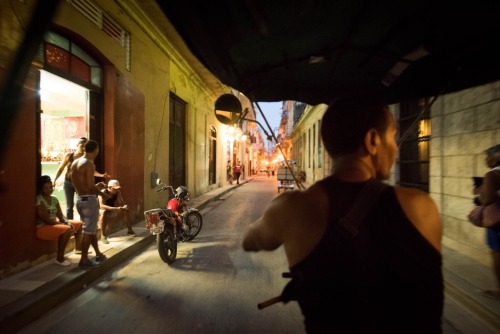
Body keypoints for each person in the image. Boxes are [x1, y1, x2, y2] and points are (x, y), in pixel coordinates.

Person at [242, 93, 443, 333]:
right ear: (372, 140)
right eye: (392, 135)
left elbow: (250, 240)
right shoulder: (422, 207)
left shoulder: (291, 209)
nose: (396, 149)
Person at [70, 140, 111, 268]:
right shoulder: (89, 164)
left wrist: (95, 187)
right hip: (89, 200)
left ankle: (98, 253)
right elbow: (89, 186)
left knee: (91, 228)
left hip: (80, 199)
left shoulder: (75, 162)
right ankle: (84, 259)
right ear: (96, 150)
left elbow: (80, 183)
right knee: (88, 230)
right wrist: (103, 194)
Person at [53, 137, 109, 219]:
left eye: (84, 146)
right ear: (77, 145)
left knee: (82, 202)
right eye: (81, 146)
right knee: (70, 205)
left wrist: (101, 175)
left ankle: (81, 223)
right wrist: (55, 179)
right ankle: (71, 224)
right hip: (68, 183)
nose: (83, 148)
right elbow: (61, 168)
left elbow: (91, 171)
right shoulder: (69, 156)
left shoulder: (86, 159)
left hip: (79, 183)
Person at [35, 175, 83, 266]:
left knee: (79, 224)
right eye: (45, 188)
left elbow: (60, 215)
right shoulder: (39, 200)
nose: (49, 189)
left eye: (50, 187)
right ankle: (59, 258)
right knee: (67, 229)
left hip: (54, 224)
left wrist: (66, 221)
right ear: (41, 189)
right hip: (43, 226)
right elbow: (46, 219)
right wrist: (63, 224)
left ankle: (78, 249)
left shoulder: (54, 199)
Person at [476, 144, 500, 299]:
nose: (485, 160)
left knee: (497, 253)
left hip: (498, 222)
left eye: (487, 156)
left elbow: (487, 199)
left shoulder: (492, 174)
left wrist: (479, 195)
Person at [98, 179, 137, 244]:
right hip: (99, 211)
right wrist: (116, 208)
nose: (116, 190)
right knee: (103, 212)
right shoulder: (103, 192)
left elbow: (121, 202)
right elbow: (101, 206)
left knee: (125, 210)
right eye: (114, 189)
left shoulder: (118, 192)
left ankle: (130, 231)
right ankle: (103, 236)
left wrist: (124, 206)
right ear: (109, 187)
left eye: (117, 188)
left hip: (111, 209)